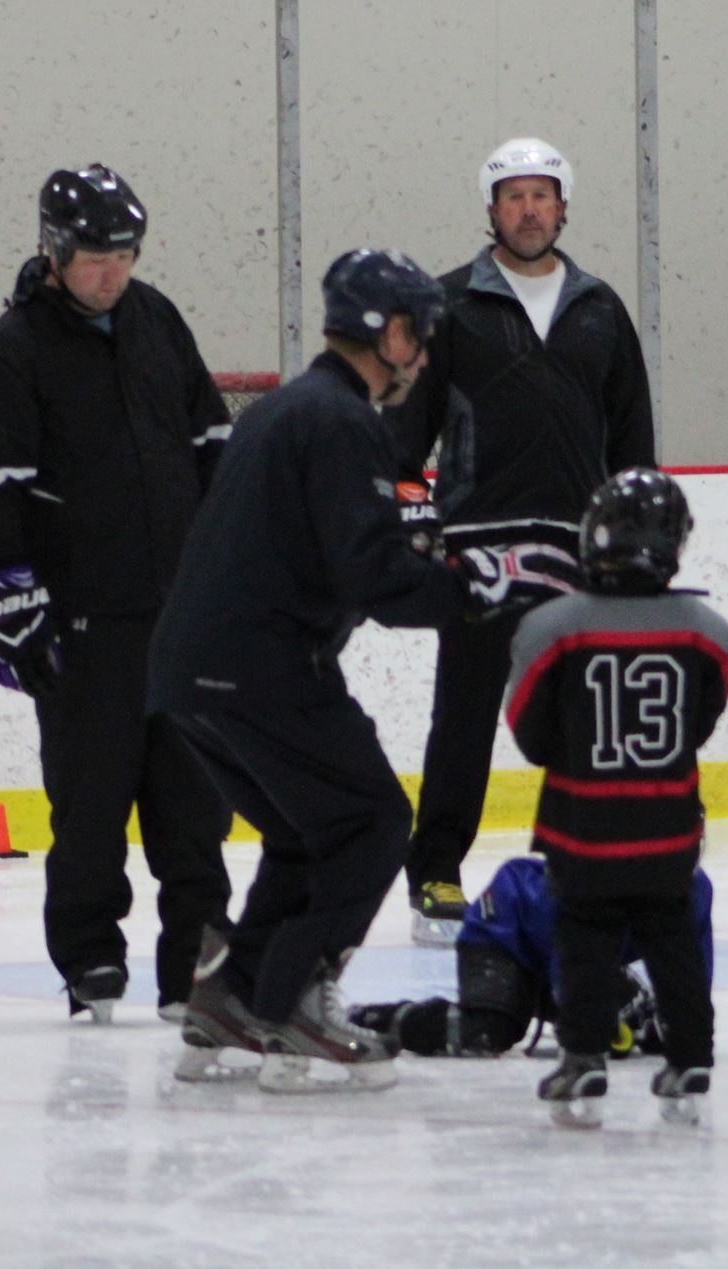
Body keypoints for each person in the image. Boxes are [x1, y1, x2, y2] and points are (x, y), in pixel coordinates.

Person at [148, 249, 567, 1094]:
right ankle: (294, 999)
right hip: (260, 667)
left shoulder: (289, 408)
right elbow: (373, 578)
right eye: (422, 334)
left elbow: (333, 548)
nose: (425, 354)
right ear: (392, 332)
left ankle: (232, 995)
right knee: (373, 821)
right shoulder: (343, 421)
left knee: (309, 831)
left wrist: (437, 563)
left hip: (190, 672)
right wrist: (478, 586)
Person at [0, 163, 233, 1025]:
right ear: (55, 249)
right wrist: (15, 612)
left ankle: (197, 970)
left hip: (179, 623)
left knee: (194, 813)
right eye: (96, 257)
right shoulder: (7, 357)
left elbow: (212, 446)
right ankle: (90, 961)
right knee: (88, 812)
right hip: (81, 629)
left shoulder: (158, 321)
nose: (113, 273)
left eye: (126, 255)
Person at [395, 138, 657, 945]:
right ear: (492, 209)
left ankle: (581, 865)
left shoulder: (600, 308)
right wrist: (413, 509)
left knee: (583, 720)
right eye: (514, 196)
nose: (529, 209)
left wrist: (637, 535)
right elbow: (406, 430)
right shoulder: (447, 305)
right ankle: (436, 870)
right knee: (464, 717)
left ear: (563, 207)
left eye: (542, 194)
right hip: (478, 550)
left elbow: (633, 436)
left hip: (582, 555)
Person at [502, 468, 728, 1128]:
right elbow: (698, 725)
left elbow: (530, 734)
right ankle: (691, 1057)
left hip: (584, 826)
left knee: (585, 939)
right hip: (668, 826)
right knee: (672, 938)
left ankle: (583, 1056)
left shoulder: (551, 626)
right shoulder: (708, 630)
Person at [349, 853, 716, 1060]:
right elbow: (569, 953)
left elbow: (693, 975)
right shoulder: (597, 881)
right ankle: (378, 1020)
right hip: (503, 929)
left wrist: (687, 1021)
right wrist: (587, 1016)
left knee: (642, 1025)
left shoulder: (696, 891)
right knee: (487, 1032)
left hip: (564, 950)